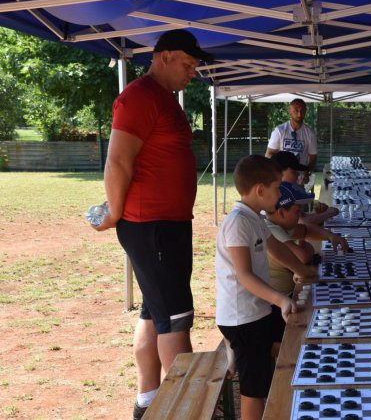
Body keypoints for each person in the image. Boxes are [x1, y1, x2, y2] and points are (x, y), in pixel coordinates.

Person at [91, 29, 213, 419]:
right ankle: (187, 409)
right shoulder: (140, 97)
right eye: (188, 64)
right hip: (152, 225)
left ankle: (148, 400)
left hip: (166, 224)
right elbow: (118, 161)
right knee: (175, 318)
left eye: (195, 66)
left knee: (155, 312)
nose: (193, 72)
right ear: (162, 56)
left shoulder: (164, 98)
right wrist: (113, 211)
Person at [215, 155, 317, 420]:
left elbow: (278, 249)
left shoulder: (256, 218)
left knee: (293, 337)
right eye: (277, 188)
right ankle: (235, 351)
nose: (280, 194)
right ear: (260, 190)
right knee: (253, 390)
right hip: (242, 319)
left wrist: (305, 272)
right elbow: (244, 276)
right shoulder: (238, 222)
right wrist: (280, 300)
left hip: (257, 310)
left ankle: (243, 357)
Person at [265, 181, 349, 348]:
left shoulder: (281, 224)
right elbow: (303, 256)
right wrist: (304, 243)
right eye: (298, 211)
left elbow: (307, 230)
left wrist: (330, 236)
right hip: (275, 307)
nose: (301, 215)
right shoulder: (272, 230)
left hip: (287, 297)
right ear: (281, 212)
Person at [271, 150, 338, 225]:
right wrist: (328, 214)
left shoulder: (283, 189)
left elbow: (301, 216)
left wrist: (318, 213)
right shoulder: (279, 193)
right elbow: (302, 222)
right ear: (279, 172)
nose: (298, 175)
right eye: (294, 171)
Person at [265, 98, 317, 178]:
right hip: (282, 179)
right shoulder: (279, 131)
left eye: (302, 111)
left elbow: (312, 158)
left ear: (306, 111)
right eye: (296, 110)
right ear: (289, 111)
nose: (299, 114)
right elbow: (269, 155)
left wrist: (307, 174)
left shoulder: (310, 134)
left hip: (300, 178)